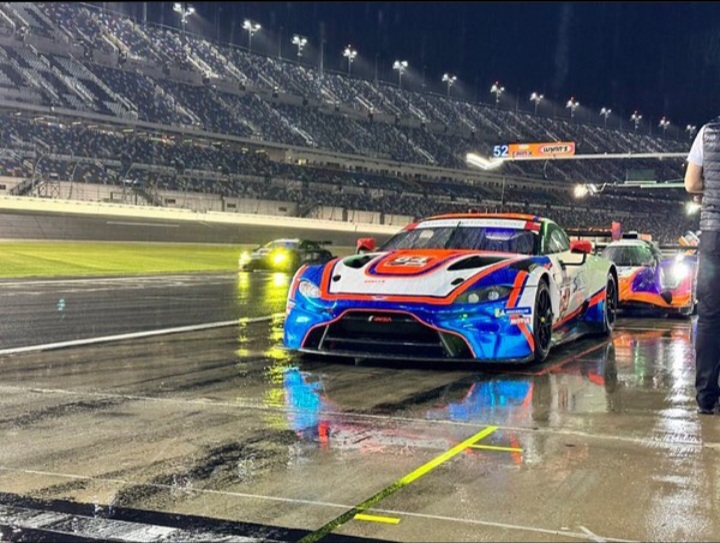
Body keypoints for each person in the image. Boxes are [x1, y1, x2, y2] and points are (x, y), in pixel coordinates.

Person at [685, 120, 720, 414]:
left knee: (709, 316)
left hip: (713, 235)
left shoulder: (707, 132)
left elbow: (690, 183)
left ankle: (706, 398)